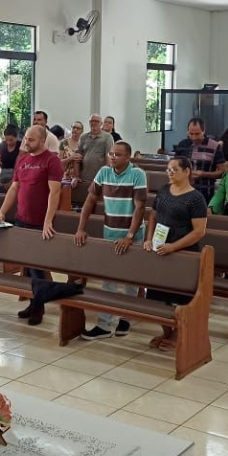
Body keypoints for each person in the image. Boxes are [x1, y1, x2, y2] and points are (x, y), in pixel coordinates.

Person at [74, 141, 148, 340]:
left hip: (132, 235)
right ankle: (104, 325)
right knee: (108, 280)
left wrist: (129, 236)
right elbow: (90, 201)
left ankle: (125, 318)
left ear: (128, 157)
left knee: (130, 279)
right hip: (110, 232)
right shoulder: (104, 172)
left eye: (118, 154)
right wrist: (81, 228)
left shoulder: (137, 174)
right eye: (111, 154)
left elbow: (140, 208)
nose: (113, 157)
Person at [0, 125, 64, 324]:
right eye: (25, 138)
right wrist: (2, 211)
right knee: (28, 266)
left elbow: (55, 192)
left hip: (39, 222)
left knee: (38, 268)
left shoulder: (52, 160)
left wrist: (48, 220)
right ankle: (33, 303)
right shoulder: (23, 160)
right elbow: (14, 188)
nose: (26, 142)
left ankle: (38, 307)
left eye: (31, 139)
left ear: (42, 140)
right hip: (21, 219)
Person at [143, 156, 208, 351]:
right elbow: (153, 215)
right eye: (168, 170)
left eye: (174, 170)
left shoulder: (195, 198)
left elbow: (199, 231)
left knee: (180, 296)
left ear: (187, 171)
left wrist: (174, 247)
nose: (170, 173)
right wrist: (149, 239)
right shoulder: (164, 190)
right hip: (160, 248)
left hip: (183, 252)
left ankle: (179, 333)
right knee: (156, 294)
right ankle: (167, 331)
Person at [171, 117, 226, 203]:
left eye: (197, 134)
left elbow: (222, 172)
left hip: (205, 192)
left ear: (203, 131)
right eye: (191, 134)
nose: (194, 137)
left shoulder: (214, 146)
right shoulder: (182, 145)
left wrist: (203, 174)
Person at [71, 114, 114, 204]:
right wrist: (76, 176)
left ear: (101, 123)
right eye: (92, 121)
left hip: (99, 178)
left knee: (96, 204)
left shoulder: (107, 137)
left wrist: (106, 178)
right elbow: (77, 157)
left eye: (96, 121)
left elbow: (109, 159)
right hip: (84, 177)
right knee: (83, 202)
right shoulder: (83, 137)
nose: (94, 123)